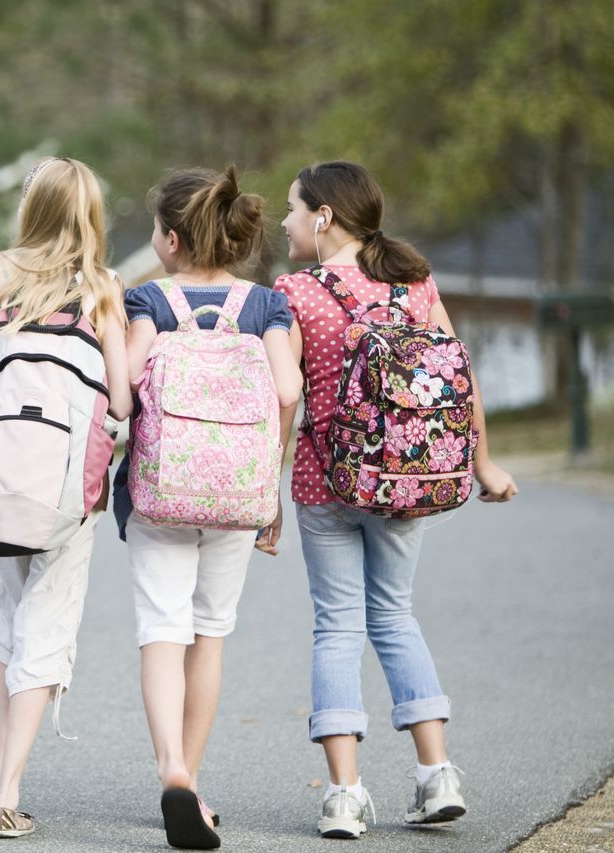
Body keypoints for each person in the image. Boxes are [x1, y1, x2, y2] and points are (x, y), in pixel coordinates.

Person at [267, 160, 518, 838]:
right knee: (395, 616)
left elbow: (285, 402)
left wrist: (267, 495)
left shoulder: (295, 291)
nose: (285, 222)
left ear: (324, 216)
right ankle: (438, 776)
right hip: (410, 481)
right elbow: (457, 378)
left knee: (338, 627)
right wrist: (483, 463)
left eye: (293, 209)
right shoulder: (415, 282)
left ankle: (344, 795)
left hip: (328, 480)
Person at [0, 157, 133, 839]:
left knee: (11, 612)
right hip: (64, 491)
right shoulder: (106, 289)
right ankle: (9, 790)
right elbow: (123, 397)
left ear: (31, 207)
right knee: (44, 628)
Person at [112, 166, 301, 849]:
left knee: (161, 629)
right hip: (237, 492)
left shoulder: (148, 299)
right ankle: (192, 776)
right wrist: (268, 485)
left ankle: (170, 771)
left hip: (159, 487)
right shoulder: (265, 305)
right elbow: (285, 386)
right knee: (209, 631)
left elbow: (128, 386)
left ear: (168, 239)